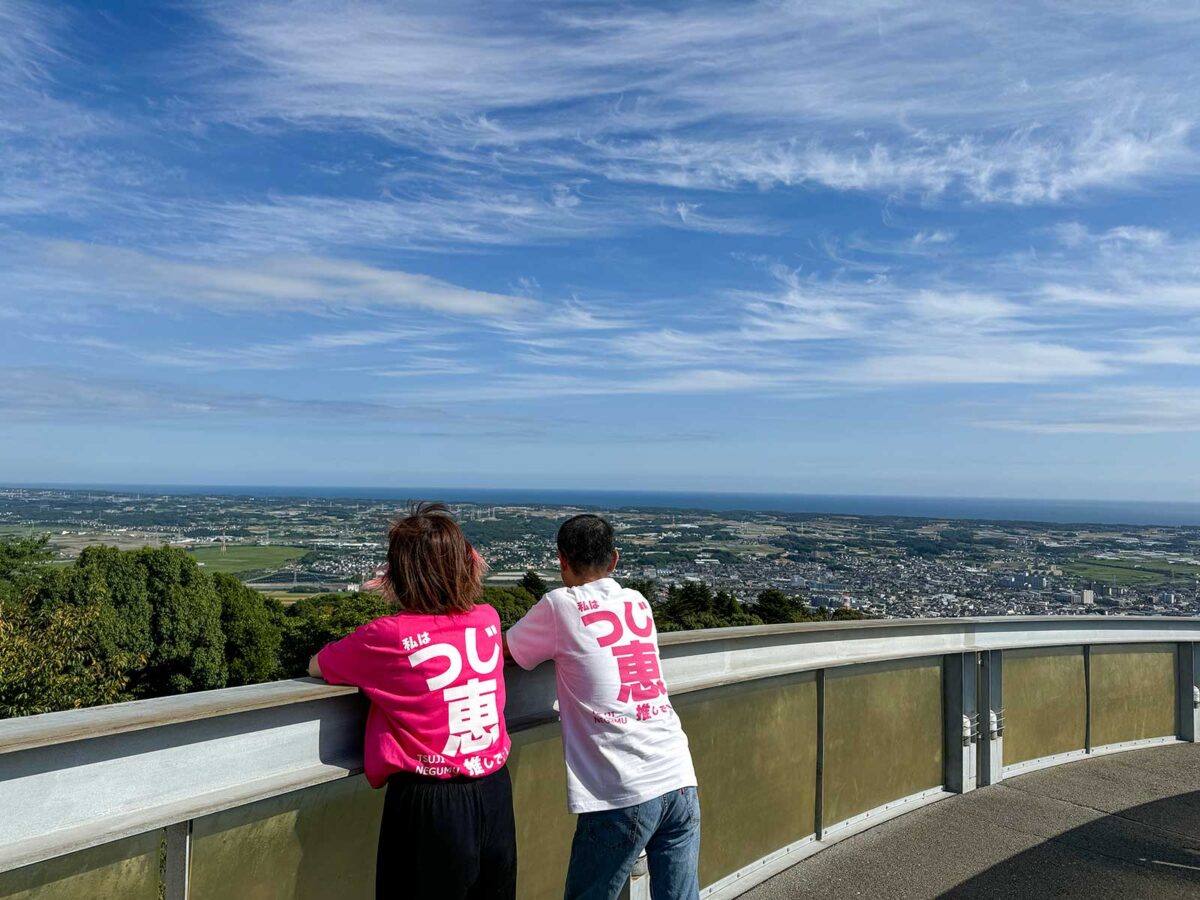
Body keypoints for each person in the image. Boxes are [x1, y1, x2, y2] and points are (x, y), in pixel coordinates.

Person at [309, 502, 515, 900]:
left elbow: (319, 665)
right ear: (466, 564)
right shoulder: (487, 619)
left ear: (399, 574)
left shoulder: (386, 636)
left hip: (429, 802)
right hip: (494, 789)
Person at [505, 514, 700, 900]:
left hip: (621, 787)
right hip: (679, 776)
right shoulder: (638, 603)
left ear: (562, 561)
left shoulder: (560, 606)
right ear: (614, 560)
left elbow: (504, 652)